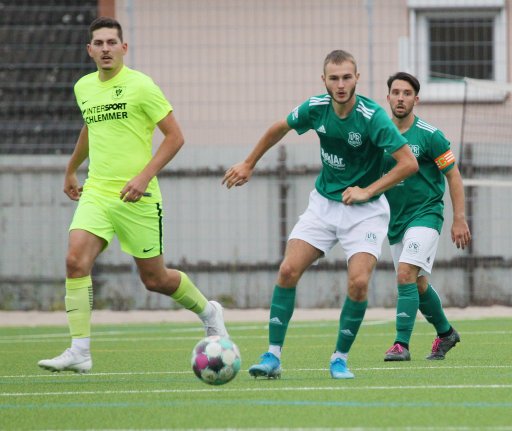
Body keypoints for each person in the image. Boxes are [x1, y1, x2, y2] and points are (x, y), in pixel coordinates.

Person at [38, 17, 228, 374]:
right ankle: (80, 350)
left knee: (155, 280)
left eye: (112, 42)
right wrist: (71, 168)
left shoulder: (141, 86)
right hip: (96, 192)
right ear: (90, 50)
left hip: (138, 198)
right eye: (99, 43)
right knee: (75, 260)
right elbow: (91, 128)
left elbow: (175, 137)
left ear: (124, 48)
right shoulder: (84, 87)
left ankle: (208, 311)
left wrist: (144, 177)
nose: (106, 48)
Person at [222, 50, 418, 379]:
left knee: (358, 284)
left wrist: (368, 191)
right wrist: (248, 163)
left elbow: (408, 163)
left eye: (346, 77)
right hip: (324, 205)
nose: (340, 84)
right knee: (287, 270)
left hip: (366, 212)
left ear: (357, 78)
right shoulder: (316, 108)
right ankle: (272, 357)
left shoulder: (372, 117)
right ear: (323, 80)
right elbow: (278, 128)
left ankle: (339, 358)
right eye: (334, 78)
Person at [382, 72, 471, 361]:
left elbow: (453, 176)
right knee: (417, 284)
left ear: (415, 99)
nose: (400, 98)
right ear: (388, 98)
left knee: (405, 273)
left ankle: (400, 345)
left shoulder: (430, 136)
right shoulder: (380, 135)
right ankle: (446, 334)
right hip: (395, 221)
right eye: (396, 92)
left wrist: (459, 218)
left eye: (407, 93)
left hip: (426, 215)